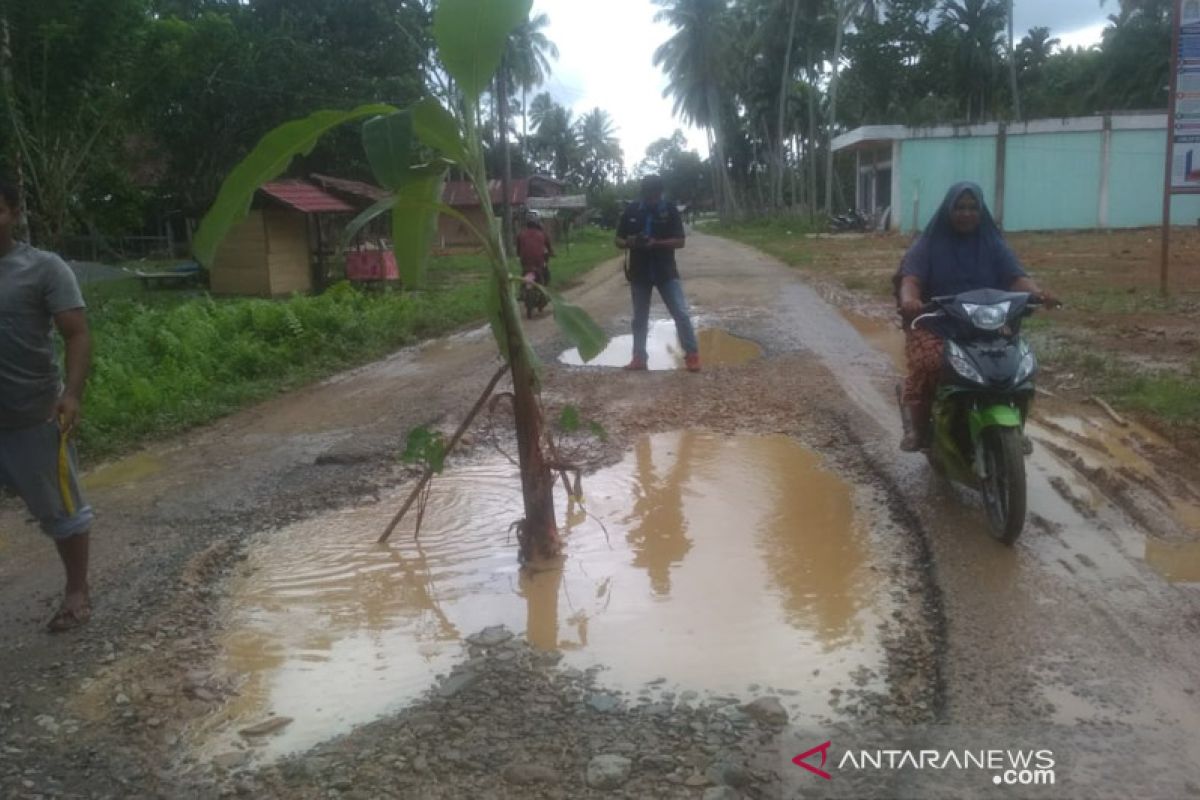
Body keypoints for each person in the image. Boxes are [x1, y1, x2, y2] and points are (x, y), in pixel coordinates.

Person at [896, 181, 1056, 452]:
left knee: (1019, 365)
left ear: (981, 211)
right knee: (930, 364)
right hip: (938, 321)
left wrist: (1037, 294)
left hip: (987, 321)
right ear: (948, 209)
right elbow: (911, 279)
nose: (966, 213)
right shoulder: (928, 244)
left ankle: (1015, 428)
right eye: (959, 207)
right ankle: (919, 429)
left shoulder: (993, 243)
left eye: (973, 207)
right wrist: (910, 300)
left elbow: (1016, 277)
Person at [0, 177, 95, 631]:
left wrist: (71, 394)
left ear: (14, 213)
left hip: (33, 417)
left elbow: (75, 333)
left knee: (60, 510)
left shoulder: (43, 268)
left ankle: (76, 590)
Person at [615, 175, 700, 372]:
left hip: (665, 271)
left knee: (681, 312)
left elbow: (680, 241)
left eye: (654, 195)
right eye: (648, 195)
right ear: (643, 193)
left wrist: (657, 243)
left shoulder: (669, 210)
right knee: (639, 318)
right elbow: (617, 240)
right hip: (639, 273)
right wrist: (631, 242)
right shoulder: (632, 210)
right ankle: (639, 358)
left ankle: (692, 355)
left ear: (660, 193)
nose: (651, 199)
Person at [515, 210, 554, 288]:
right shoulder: (543, 234)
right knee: (546, 275)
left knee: (523, 273)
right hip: (538, 263)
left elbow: (518, 251)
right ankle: (545, 290)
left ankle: (522, 291)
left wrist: (520, 255)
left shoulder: (521, 234)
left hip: (525, 263)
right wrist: (551, 253)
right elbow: (549, 248)